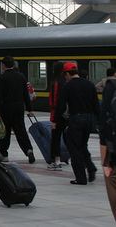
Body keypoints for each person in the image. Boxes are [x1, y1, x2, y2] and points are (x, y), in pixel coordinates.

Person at [56, 62, 99, 185]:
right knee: (83, 146)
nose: (65, 77)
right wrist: (97, 122)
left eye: (65, 75)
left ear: (68, 73)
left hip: (76, 120)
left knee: (74, 148)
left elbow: (61, 106)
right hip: (89, 119)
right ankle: (90, 168)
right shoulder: (90, 84)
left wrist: (58, 121)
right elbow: (96, 105)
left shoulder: (68, 86)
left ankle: (80, 178)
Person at [0, 56, 36, 164]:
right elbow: (26, 94)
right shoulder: (21, 76)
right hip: (18, 108)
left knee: (5, 132)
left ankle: (4, 154)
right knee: (21, 130)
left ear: (3, 65)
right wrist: (29, 109)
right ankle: (28, 150)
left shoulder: (2, 77)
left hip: (6, 108)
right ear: (13, 64)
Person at [98, 72, 116, 221]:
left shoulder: (111, 87)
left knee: (111, 181)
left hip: (113, 152)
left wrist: (104, 153)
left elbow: (104, 121)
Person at [48, 62, 67, 170]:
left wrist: (54, 119)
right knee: (67, 137)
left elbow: (55, 101)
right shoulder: (66, 81)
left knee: (56, 137)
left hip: (57, 114)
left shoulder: (56, 82)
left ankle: (56, 160)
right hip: (67, 115)